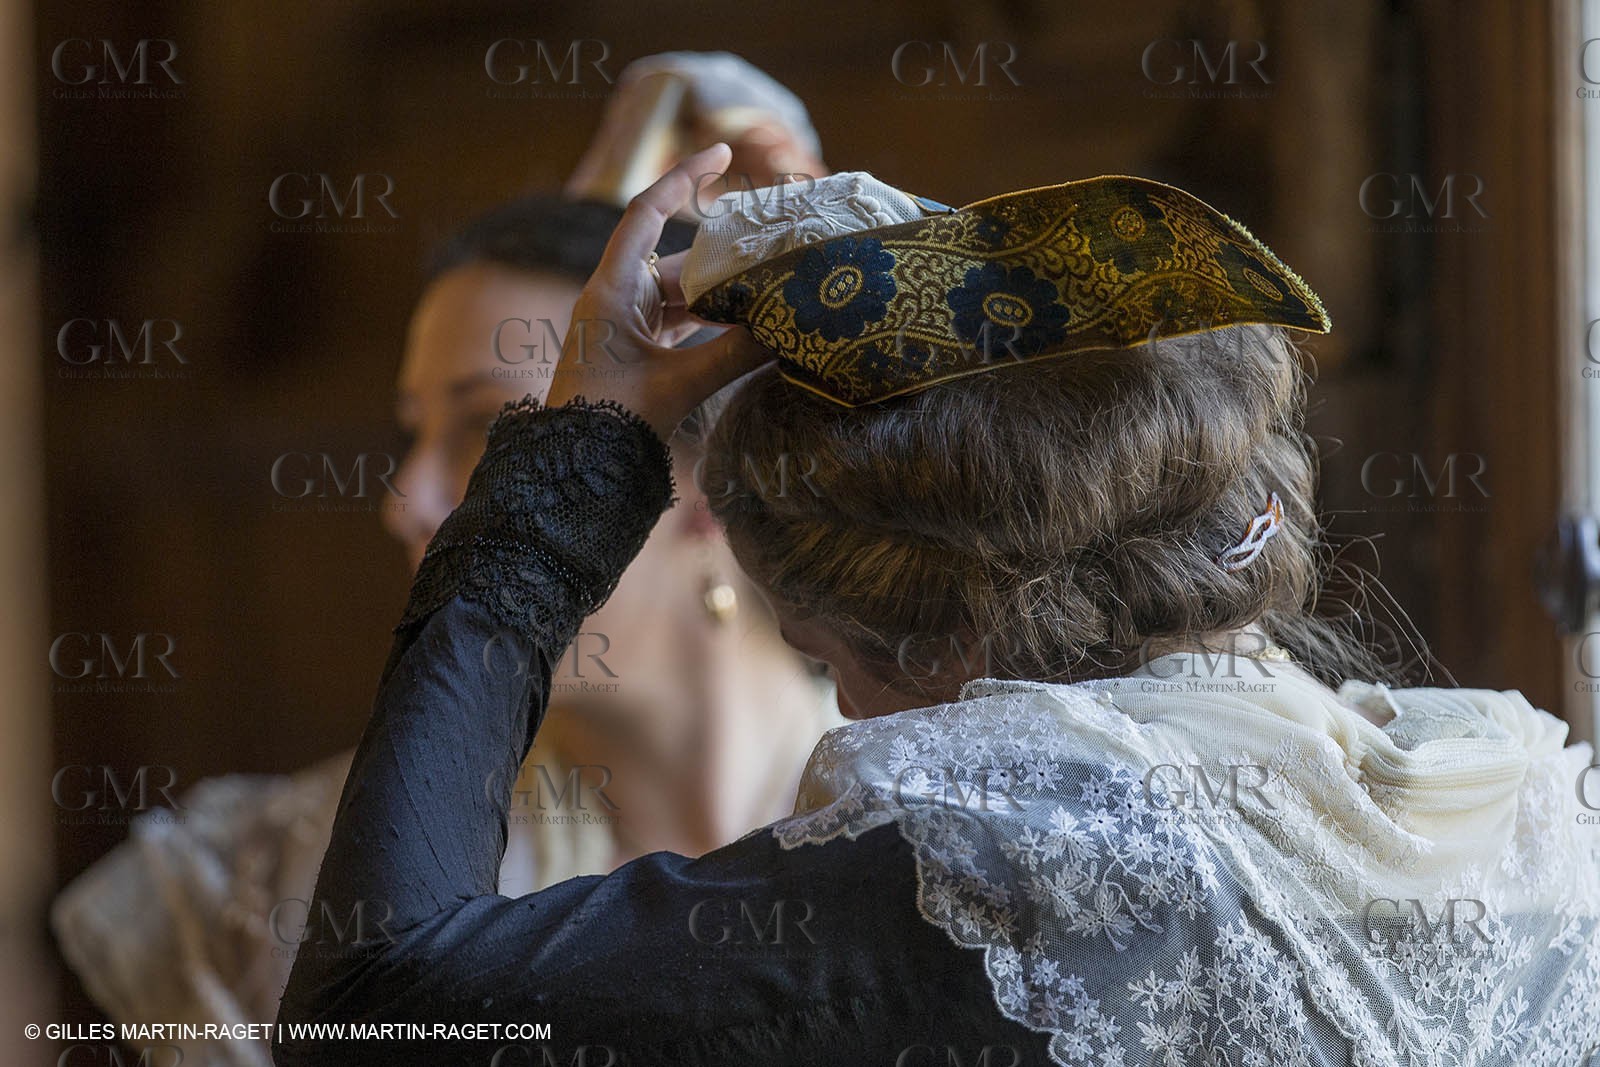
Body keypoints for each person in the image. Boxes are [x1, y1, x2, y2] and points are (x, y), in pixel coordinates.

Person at [274, 146, 1600, 1067]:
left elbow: (372, 1011)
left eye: (831, 654)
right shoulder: (1527, 808)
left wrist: (572, 466)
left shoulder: (1004, 863)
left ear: (891, 640)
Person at [51, 57, 837, 1067]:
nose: (405, 501)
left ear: (708, 485)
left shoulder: (925, 844)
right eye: (409, 437)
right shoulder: (268, 885)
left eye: (488, 430)